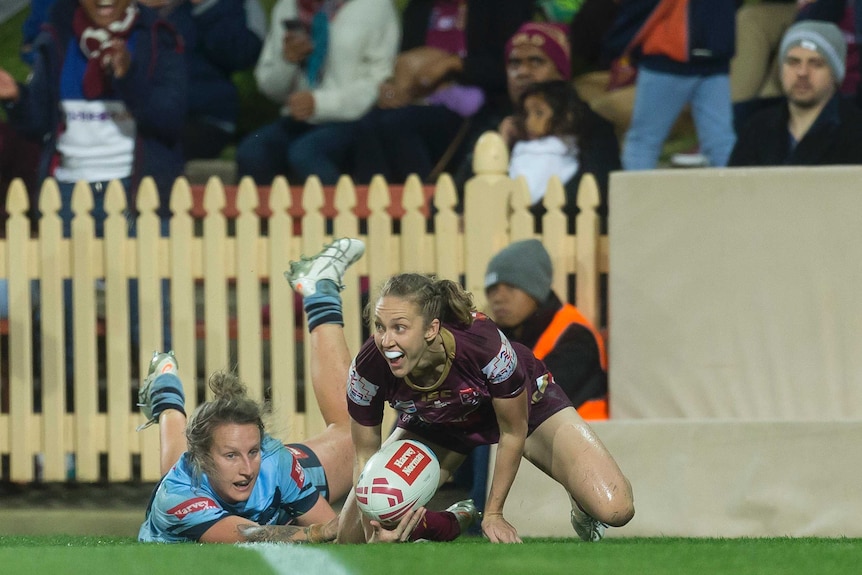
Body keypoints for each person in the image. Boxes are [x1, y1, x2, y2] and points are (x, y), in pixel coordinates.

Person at [138, 238, 480, 543]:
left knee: (351, 436)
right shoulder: (179, 496)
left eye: (253, 452)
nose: (247, 468)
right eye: (231, 456)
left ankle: (165, 387)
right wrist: (318, 533)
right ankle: (167, 391)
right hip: (194, 491)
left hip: (267, 476)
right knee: (174, 467)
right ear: (201, 459)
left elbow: (342, 533)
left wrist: (372, 534)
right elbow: (244, 534)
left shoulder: (275, 463)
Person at [330, 259, 634, 544]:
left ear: (432, 329)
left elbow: (513, 432)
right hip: (439, 424)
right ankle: (457, 517)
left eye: (400, 328)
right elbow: (365, 458)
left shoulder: (482, 342)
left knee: (615, 509)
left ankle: (579, 498)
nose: (386, 342)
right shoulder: (368, 368)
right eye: (380, 327)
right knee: (351, 536)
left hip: (525, 409)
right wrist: (375, 526)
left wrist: (494, 514)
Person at [0, 0, 186, 234]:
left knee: (140, 271)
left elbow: (169, 120)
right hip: (67, 193)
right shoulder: (57, 34)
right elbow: (37, 124)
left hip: (136, 191)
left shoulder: (157, 36)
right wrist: (16, 98)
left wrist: (128, 78)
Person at [351, 0, 535, 185]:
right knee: (368, 125)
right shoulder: (419, 8)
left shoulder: (503, 6)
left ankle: (426, 203)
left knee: (397, 126)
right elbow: (402, 71)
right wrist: (389, 92)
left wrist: (454, 64)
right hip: (418, 99)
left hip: (473, 107)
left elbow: (506, 68)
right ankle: (375, 207)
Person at [457, 21, 620, 228]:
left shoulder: (592, 127)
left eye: (536, 61)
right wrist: (499, 145)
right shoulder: (495, 125)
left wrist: (524, 218)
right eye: (514, 64)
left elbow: (598, 192)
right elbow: (450, 200)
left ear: (561, 73)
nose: (522, 72)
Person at [235, 0, 399, 186]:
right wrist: (287, 62)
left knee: (306, 154)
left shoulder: (376, 6)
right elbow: (269, 87)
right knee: (252, 151)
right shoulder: (288, 7)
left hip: (354, 118)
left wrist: (320, 104)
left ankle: (341, 213)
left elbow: (380, 81)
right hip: (301, 119)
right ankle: (264, 215)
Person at [485, 239, 607, 416]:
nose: (498, 298)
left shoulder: (575, 335)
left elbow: (534, 400)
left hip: (589, 439)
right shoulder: (503, 336)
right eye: (492, 289)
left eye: (510, 287)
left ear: (536, 290)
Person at [138, 0, 267, 161]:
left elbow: (242, 55)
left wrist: (206, 6)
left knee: (154, 150)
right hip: (138, 115)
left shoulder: (237, 4)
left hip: (204, 118)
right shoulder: (123, 8)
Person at [620, 0, 737, 170]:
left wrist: (619, 43)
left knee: (644, 142)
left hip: (677, 56)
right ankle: (734, 195)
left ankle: (634, 196)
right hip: (704, 53)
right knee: (721, 143)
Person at [729, 20, 862, 165]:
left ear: (835, 74)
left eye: (816, 64)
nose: (802, 72)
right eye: (793, 62)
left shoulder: (856, 131)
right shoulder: (756, 129)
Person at [507, 80, 592, 207]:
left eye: (539, 113)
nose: (529, 122)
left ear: (566, 116)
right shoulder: (524, 149)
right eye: (526, 114)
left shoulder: (558, 154)